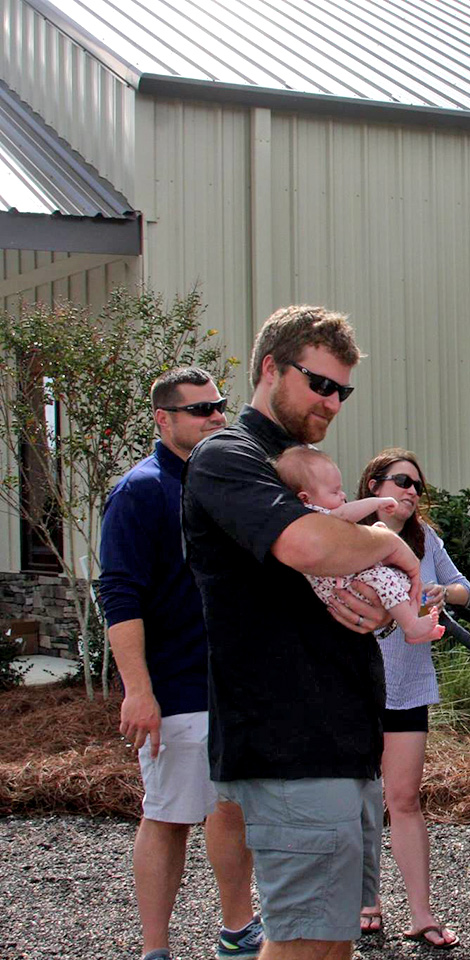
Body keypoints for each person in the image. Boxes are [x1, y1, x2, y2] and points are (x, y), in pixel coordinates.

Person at [183, 305, 421, 960]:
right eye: (319, 383)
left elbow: (323, 576)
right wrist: (382, 543)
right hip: (288, 748)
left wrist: (372, 595)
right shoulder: (227, 456)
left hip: (337, 744)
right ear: (269, 368)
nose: (332, 401)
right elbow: (307, 545)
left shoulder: (292, 462)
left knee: (329, 942)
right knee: (304, 944)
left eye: (342, 391)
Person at [98, 367, 263, 960]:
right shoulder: (140, 491)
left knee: (233, 810)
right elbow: (119, 593)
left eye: (220, 406)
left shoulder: (226, 480)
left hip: (233, 685)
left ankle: (238, 930)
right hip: (176, 687)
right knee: (168, 816)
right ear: (163, 420)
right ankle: (155, 949)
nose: (216, 417)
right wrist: (138, 691)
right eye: (200, 410)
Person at [353, 448, 470, 950]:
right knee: (357, 801)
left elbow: (463, 588)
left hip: (404, 688)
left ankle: (422, 914)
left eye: (417, 486)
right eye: (402, 481)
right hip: (350, 686)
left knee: (403, 800)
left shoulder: (426, 540)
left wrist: (443, 592)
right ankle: (364, 900)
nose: (411, 492)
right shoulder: (346, 536)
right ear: (374, 484)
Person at [272, 446, 444, 643]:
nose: (342, 495)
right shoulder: (314, 514)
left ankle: (413, 622)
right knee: (384, 577)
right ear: (305, 497)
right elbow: (345, 514)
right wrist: (378, 503)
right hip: (343, 585)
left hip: (346, 581)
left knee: (400, 579)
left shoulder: (425, 535)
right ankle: (411, 627)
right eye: (335, 491)